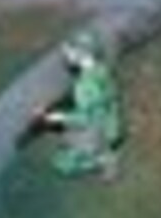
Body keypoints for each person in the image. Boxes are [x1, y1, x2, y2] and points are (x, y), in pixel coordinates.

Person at [34, 32, 123, 178]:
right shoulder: (102, 70)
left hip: (97, 132)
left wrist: (57, 117)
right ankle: (106, 152)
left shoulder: (84, 85)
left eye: (70, 52)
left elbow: (85, 118)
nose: (66, 57)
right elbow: (110, 101)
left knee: (61, 163)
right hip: (112, 125)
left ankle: (100, 160)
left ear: (82, 55)